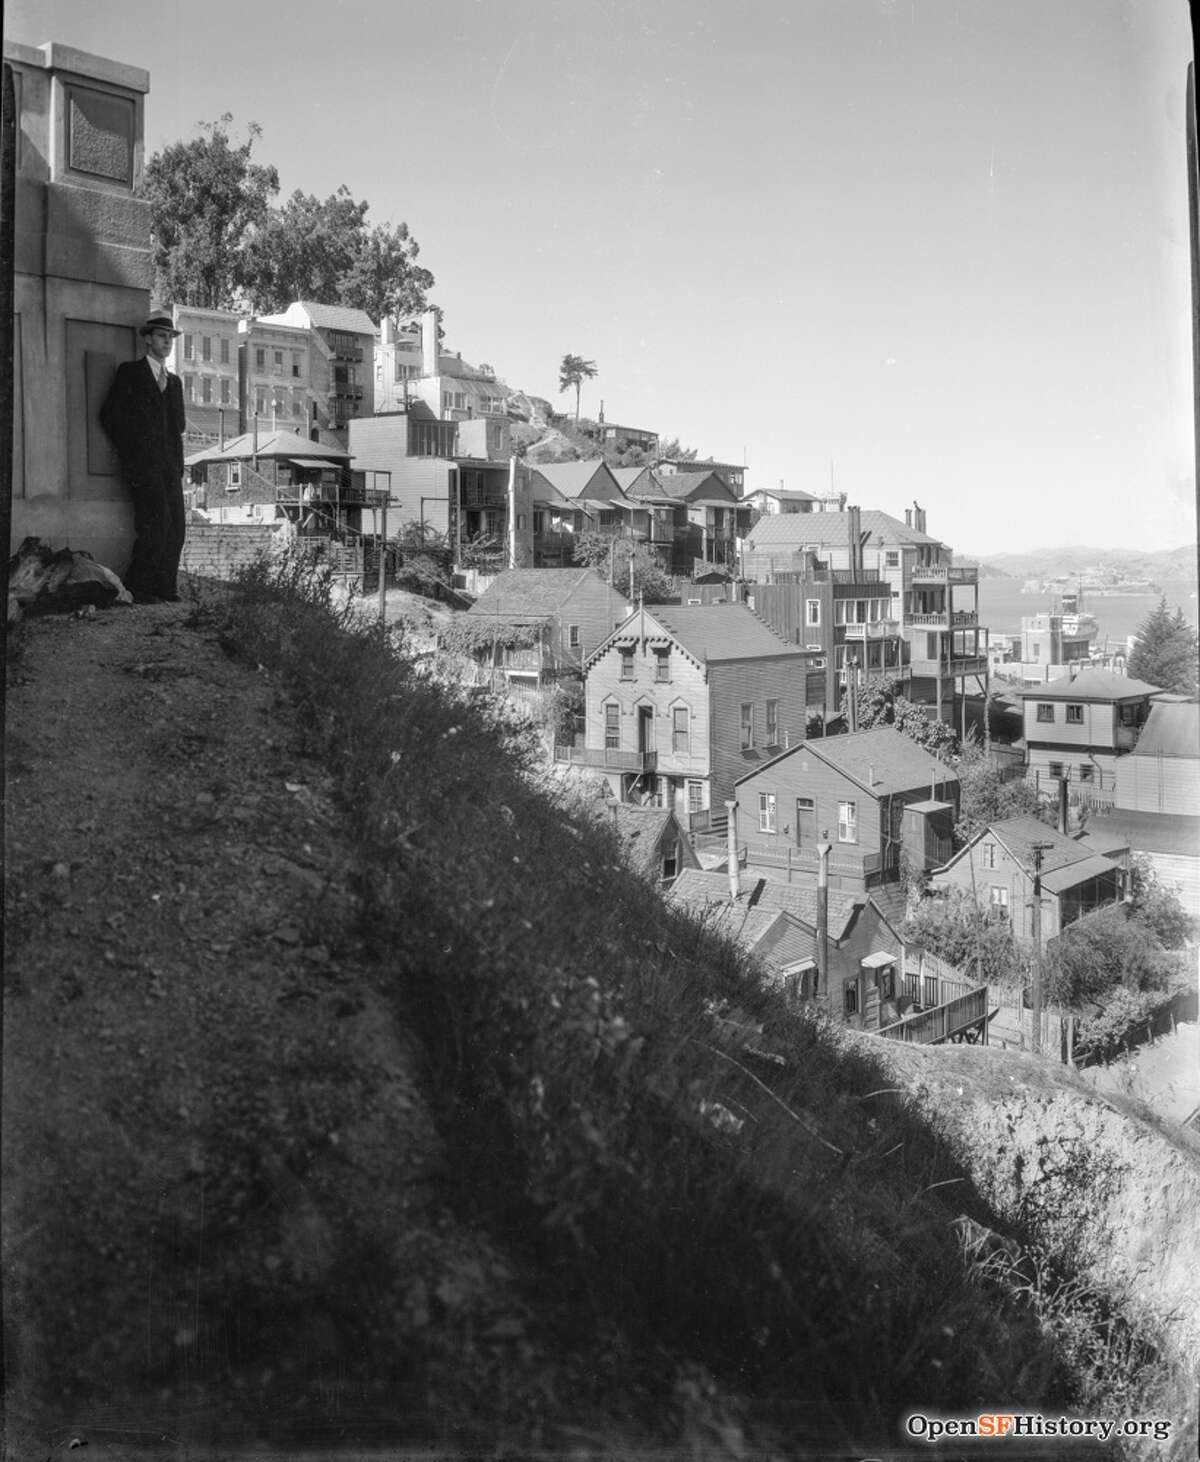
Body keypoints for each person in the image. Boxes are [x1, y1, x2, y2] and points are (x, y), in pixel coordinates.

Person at [99, 309, 188, 604]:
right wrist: (134, 453)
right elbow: (109, 416)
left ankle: (165, 586)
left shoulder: (174, 382)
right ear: (148, 340)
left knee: (177, 526)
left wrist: (178, 466)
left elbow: (179, 427)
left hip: (170, 466)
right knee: (156, 521)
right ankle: (140, 587)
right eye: (162, 336)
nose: (167, 342)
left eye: (171, 337)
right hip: (143, 466)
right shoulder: (131, 372)